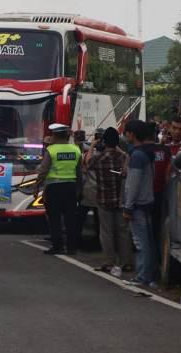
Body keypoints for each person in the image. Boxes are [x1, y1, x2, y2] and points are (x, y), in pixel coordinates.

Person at [87, 127, 132, 276]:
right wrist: (117, 148)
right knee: (123, 231)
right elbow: (126, 168)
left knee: (106, 232)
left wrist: (93, 145)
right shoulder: (123, 157)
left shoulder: (99, 158)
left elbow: (87, 162)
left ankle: (109, 262)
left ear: (104, 141)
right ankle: (126, 262)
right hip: (120, 199)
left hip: (104, 199)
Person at [36, 124, 82, 255]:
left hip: (54, 188)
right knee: (70, 219)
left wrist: (36, 187)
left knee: (54, 219)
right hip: (71, 188)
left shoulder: (51, 150)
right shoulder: (76, 150)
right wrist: (80, 189)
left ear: (56, 136)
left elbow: (43, 171)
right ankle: (72, 247)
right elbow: (79, 173)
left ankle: (58, 246)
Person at [122, 120, 156, 287]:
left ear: (132, 134)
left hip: (138, 205)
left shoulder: (137, 156)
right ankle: (147, 275)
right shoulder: (146, 153)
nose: (125, 135)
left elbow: (133, 184)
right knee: (146, 241)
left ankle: (143, 276)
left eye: (126, 132)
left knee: (140, 242)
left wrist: (128, 206)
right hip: (147, 202)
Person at [145, 122, 171, 257]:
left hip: (147, 195)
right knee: (157, 227)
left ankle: (152, 256)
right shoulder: (165, 150)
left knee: (147, 228)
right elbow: (168, 173)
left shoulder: (142, 151)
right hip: (160, 193)